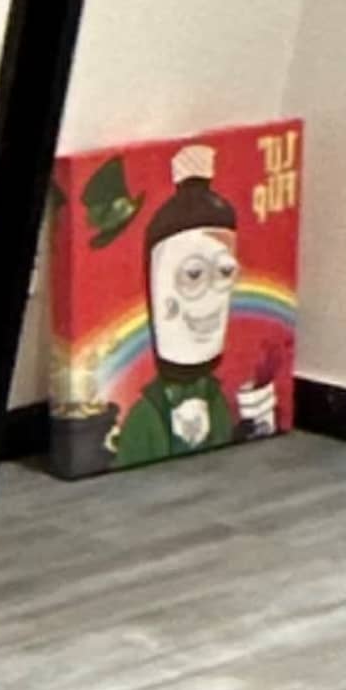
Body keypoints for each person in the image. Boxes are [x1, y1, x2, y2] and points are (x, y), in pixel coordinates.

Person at [105, 155, 254, 464]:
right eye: (194, 275)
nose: (212, 300)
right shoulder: (147, 417)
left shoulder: (218, 403)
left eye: (225, 272)